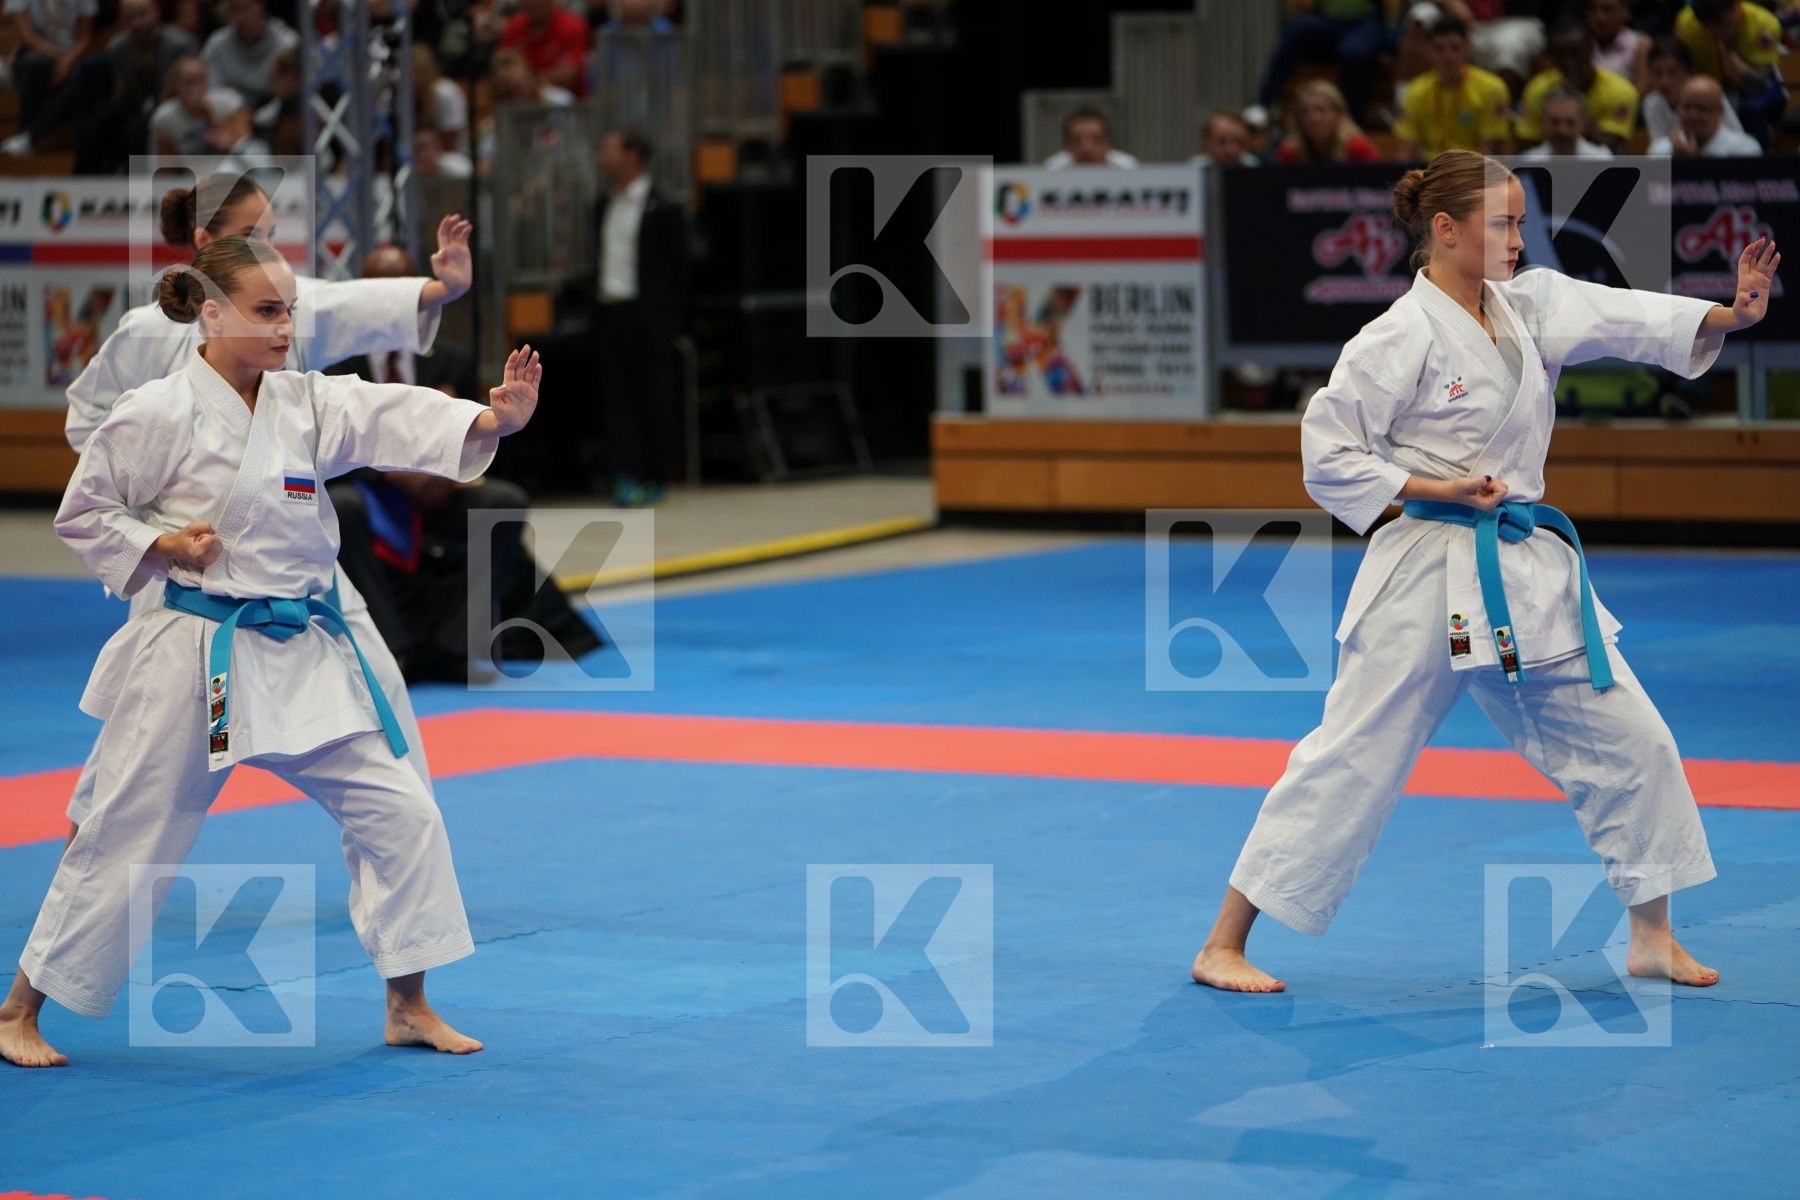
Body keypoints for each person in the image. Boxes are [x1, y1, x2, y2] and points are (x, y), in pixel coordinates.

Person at [1189, 149, 1778, 994]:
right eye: (1500, 223)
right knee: (1350, 758)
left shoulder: (1534, 304)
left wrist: (1727, 315)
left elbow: (1629, 318)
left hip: (1523, 569)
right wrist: (1437, 486)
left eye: (1518, 224)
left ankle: (1652, 935)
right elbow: (1327, 456)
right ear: (1446, 229)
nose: (1515, 238)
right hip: (1425, 570)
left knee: (1632, 738)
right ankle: (1223, 944)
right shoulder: (1395, 336)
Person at [0, 235, 542, 1068]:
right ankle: (18, 1010)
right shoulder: (156, 411)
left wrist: (486, 419)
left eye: (289, 308)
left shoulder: (305, 403)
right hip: (197, 651)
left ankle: (409, 1001)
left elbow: (385, 411)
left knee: (401, 812)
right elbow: (85, 512)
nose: (286, 326)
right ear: (210, 315)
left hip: (300, 646)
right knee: (126, 830)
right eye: (266, 310)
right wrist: (163, 546)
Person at [60, 172, 473, 844]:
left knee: (379, 686)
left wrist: (440, 290)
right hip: (188, 570)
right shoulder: (145, 332)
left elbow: (352, 304)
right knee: (145, 733)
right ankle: (91, 840)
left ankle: (403, 838)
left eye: (273, 235)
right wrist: (155, 512)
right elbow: (92, 422)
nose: (270, 251)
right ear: (206, 242)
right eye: (252, 236)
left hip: (291, 556)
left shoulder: (288, 299)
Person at [324, 242, 600, 682]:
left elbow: (471, 432)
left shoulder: (452, 361)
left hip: (439, 485)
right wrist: (396, 472)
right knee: (341, 505)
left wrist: (447, 466)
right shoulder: (337, 364)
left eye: (401, 287)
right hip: (371, 490)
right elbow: (328, 441)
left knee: (503, 500)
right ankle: (395, 648)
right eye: (380, 287)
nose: (392, 298)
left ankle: (456, 645)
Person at [584, 125, 690, 505]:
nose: (603, 158)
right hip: (610, 311)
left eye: (610, 150)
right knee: (616, 400)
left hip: (647, 316)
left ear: (632, 155)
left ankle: (654, 473)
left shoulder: (664, 206)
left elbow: (679, 267)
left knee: (653, 396)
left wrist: (667, 316)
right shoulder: (603, 204)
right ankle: (623, 473)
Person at [1396, 16, 1513, 160]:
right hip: (1429, 171)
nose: (1448, 56)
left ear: (1467, 49)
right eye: (1440, 49)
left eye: (1455, 48)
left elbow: (1489, 153)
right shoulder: (1415, 92)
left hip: (1472, 171)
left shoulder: (1491, 88)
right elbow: (1406, 153)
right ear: (1430, 51)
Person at [1674, 0, 1786, 149]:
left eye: (1723, 24)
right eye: (1710, 27)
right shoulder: (1686, 24)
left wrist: (1739, 69)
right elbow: (1682, 66)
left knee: (1752, 109)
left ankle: (1760, 163)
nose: (1718, 33)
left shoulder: (1764, 24)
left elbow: (1761, 80)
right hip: (1709, 85)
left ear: (1735, 7)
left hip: (1758, 87)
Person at [1515, 24, 1639, 152]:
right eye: (1562, 56)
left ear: (1590, 52)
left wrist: (1577, 114)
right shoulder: (1538, 88)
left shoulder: (1619, 90)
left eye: (1576, 54)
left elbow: (1610, 145)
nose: (1569, 63)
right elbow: (1527, 143)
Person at [0, 0, 99, 156]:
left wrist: (69, 60)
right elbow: (27, 38)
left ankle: (29, 136)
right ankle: (26, 134)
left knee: (87, 77)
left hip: (71, 57)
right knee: (37, 66)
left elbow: (85, 37)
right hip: (34, 55)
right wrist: (62, 59)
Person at [1642, 35, 1747, 144]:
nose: (1664, 81)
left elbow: (1739, 139)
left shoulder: (1709, 95)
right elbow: (1658, 149)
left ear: (1688, 72)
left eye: (1672, 72)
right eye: (1657, 73)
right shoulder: (1651, 103)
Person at [201, 0, 297, 110]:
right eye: (235, 10)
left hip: (276, 115)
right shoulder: (216, 44)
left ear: (261, 7)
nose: (241, 16)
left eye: (246, 8)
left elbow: (292, 92)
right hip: (229, 116)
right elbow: (211, 89)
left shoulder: (286, 43)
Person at [1647, 74, 1764, 155]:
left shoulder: (1745, 148)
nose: (1692, 115)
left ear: (1720, 111)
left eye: (1701, 108)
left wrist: (1693, 162)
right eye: (1686, 107)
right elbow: (1649, 190)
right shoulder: (1660, 150)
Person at [1274, 79, 1383, 163]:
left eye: (1320, 109)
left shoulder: (1358, 148)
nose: (1312, 118)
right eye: (1304, 111)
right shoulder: (1290, 152)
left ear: (1339, 114)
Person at [1521, 86, 1614, 157]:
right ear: (1542, 122)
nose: (1562, 130)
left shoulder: (1601, 159)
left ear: (1584, 123)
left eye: (1570, 122)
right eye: (1555, 122)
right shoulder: (1529, 162)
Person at [1586, 0, 1650, 93]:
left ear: (1626, 12)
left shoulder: (1639, 45)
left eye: (1608, 9)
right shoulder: (1581, 46)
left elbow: (1641, 94)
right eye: (1593, 10)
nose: (1600, 17)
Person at [1043, 107, 1139, 170]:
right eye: (1077, 140)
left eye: (1096, 139)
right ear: (1067, 144)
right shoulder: (1053, 169)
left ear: (1107, 142)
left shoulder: (1127, 168)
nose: (1087, 148)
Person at [1191, 110, 1259, 168]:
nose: (1231, 150)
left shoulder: (1254, 166)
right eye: (1222, 141)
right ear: (1205, 143)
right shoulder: (1193, 171)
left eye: (1239, 142)